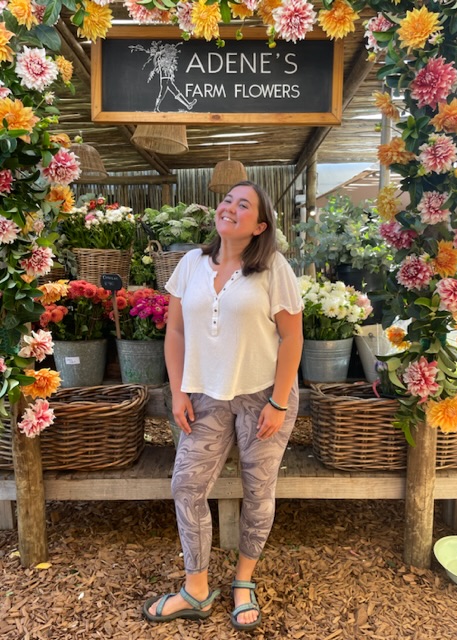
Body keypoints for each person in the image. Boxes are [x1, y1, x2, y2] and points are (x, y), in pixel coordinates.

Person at [143, 181, 303, 631]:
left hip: (263, 397)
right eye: (228, 200)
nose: (230, 207)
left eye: (243, 204)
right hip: (205, 396)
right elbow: (175, 332)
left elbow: (292, 338)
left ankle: (243, 581)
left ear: (260, 226)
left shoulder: (273, 268)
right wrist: (178, 392)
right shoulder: (190, 264)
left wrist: (277, 401)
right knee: (186, 486)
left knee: (259, 490)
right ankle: (196, 589)